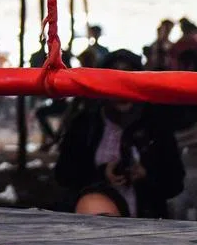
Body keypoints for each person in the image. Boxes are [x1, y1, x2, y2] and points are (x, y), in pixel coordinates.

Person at [55, 49, 184, 218]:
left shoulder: (156, 126)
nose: (122, 90)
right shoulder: (86, 125)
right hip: (92, 227)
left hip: (147, 226)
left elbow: (175, 183)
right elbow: (64, 175)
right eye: (116, 81)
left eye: (129, 80)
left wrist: (146, 174)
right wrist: (101, 174)